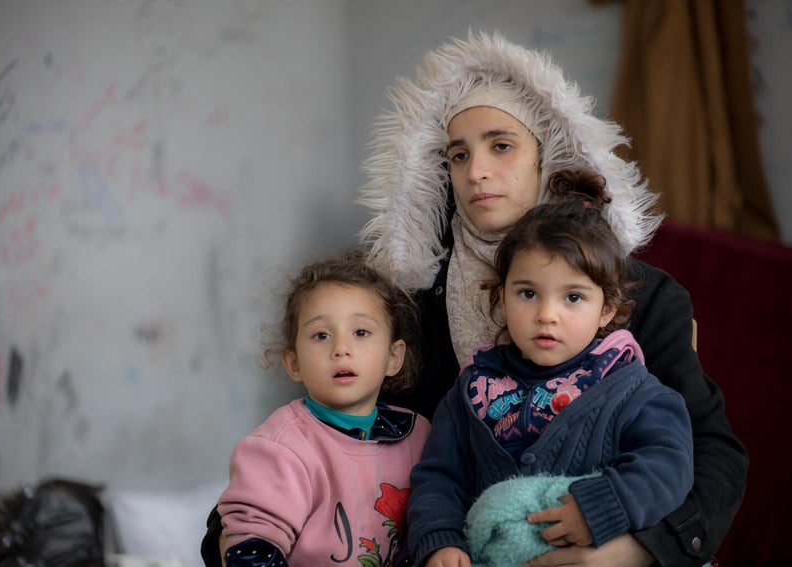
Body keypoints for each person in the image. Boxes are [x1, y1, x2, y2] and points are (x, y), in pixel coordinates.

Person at [358, 31, 746, 566]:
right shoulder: (417, 307)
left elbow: (709, 454)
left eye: (501, 145)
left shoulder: (644, 295)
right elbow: (359, 432)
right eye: (457, 154)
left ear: (546, 155)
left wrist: (628, 554)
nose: (477, 172)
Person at [404, 169, 694, 567]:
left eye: (573, 297)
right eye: (527, 293)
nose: (546, 315)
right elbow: (438, 478)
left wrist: (601, 507)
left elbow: (668, 464)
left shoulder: (630, 388)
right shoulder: (473, 391)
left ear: (606, 309)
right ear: (501, 297)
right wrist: (441, 540)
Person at [210, 252, 431, 567]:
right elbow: (252, 547)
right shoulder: (279, 449)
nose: (341, 348)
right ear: (294, 363)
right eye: (321, 335)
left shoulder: (418, 434)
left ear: (393, 357)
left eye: (361, 332)